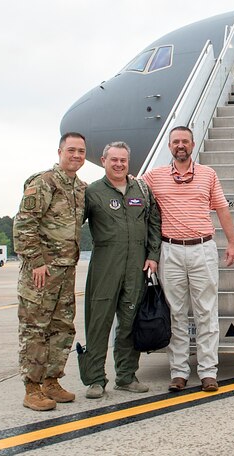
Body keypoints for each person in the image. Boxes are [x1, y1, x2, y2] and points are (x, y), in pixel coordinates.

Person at [143, 126, 234, 393]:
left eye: (185, 141)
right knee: (176, 314)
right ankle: (179, 372)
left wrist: (232, 243)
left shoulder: (208, 175)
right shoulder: (155, 177)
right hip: (170, 250)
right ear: (170, 146)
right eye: (176, 142)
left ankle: (208, 372)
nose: (180, 145)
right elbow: (131, 190)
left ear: (193, 145)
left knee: (206, 312)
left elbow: (222, 208)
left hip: (202, 248)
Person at [13, 132, 87, 411]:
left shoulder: (80, 188)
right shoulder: (43, 183)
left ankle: (51, 381)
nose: (77, 156)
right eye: (72, 150)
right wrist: (36, 262)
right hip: (41, 272)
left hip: (66, 272)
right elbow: (23, 225)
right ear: (60, 152)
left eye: (81, 151)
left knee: (62, 328)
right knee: (35, 328)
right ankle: (32, 388)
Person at [81, 142, 162, 399]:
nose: (118, 164)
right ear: (104, 160)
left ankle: (126, 376)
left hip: (136, 266)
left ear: (129, 162)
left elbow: (154, 222)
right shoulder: (92, 192)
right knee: (98, 322)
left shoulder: (142, 189)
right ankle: (95, 379)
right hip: (105, 265)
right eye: (113, 160)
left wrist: (153, 255)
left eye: (123, 160)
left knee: (129, 323)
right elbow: (73, 224)